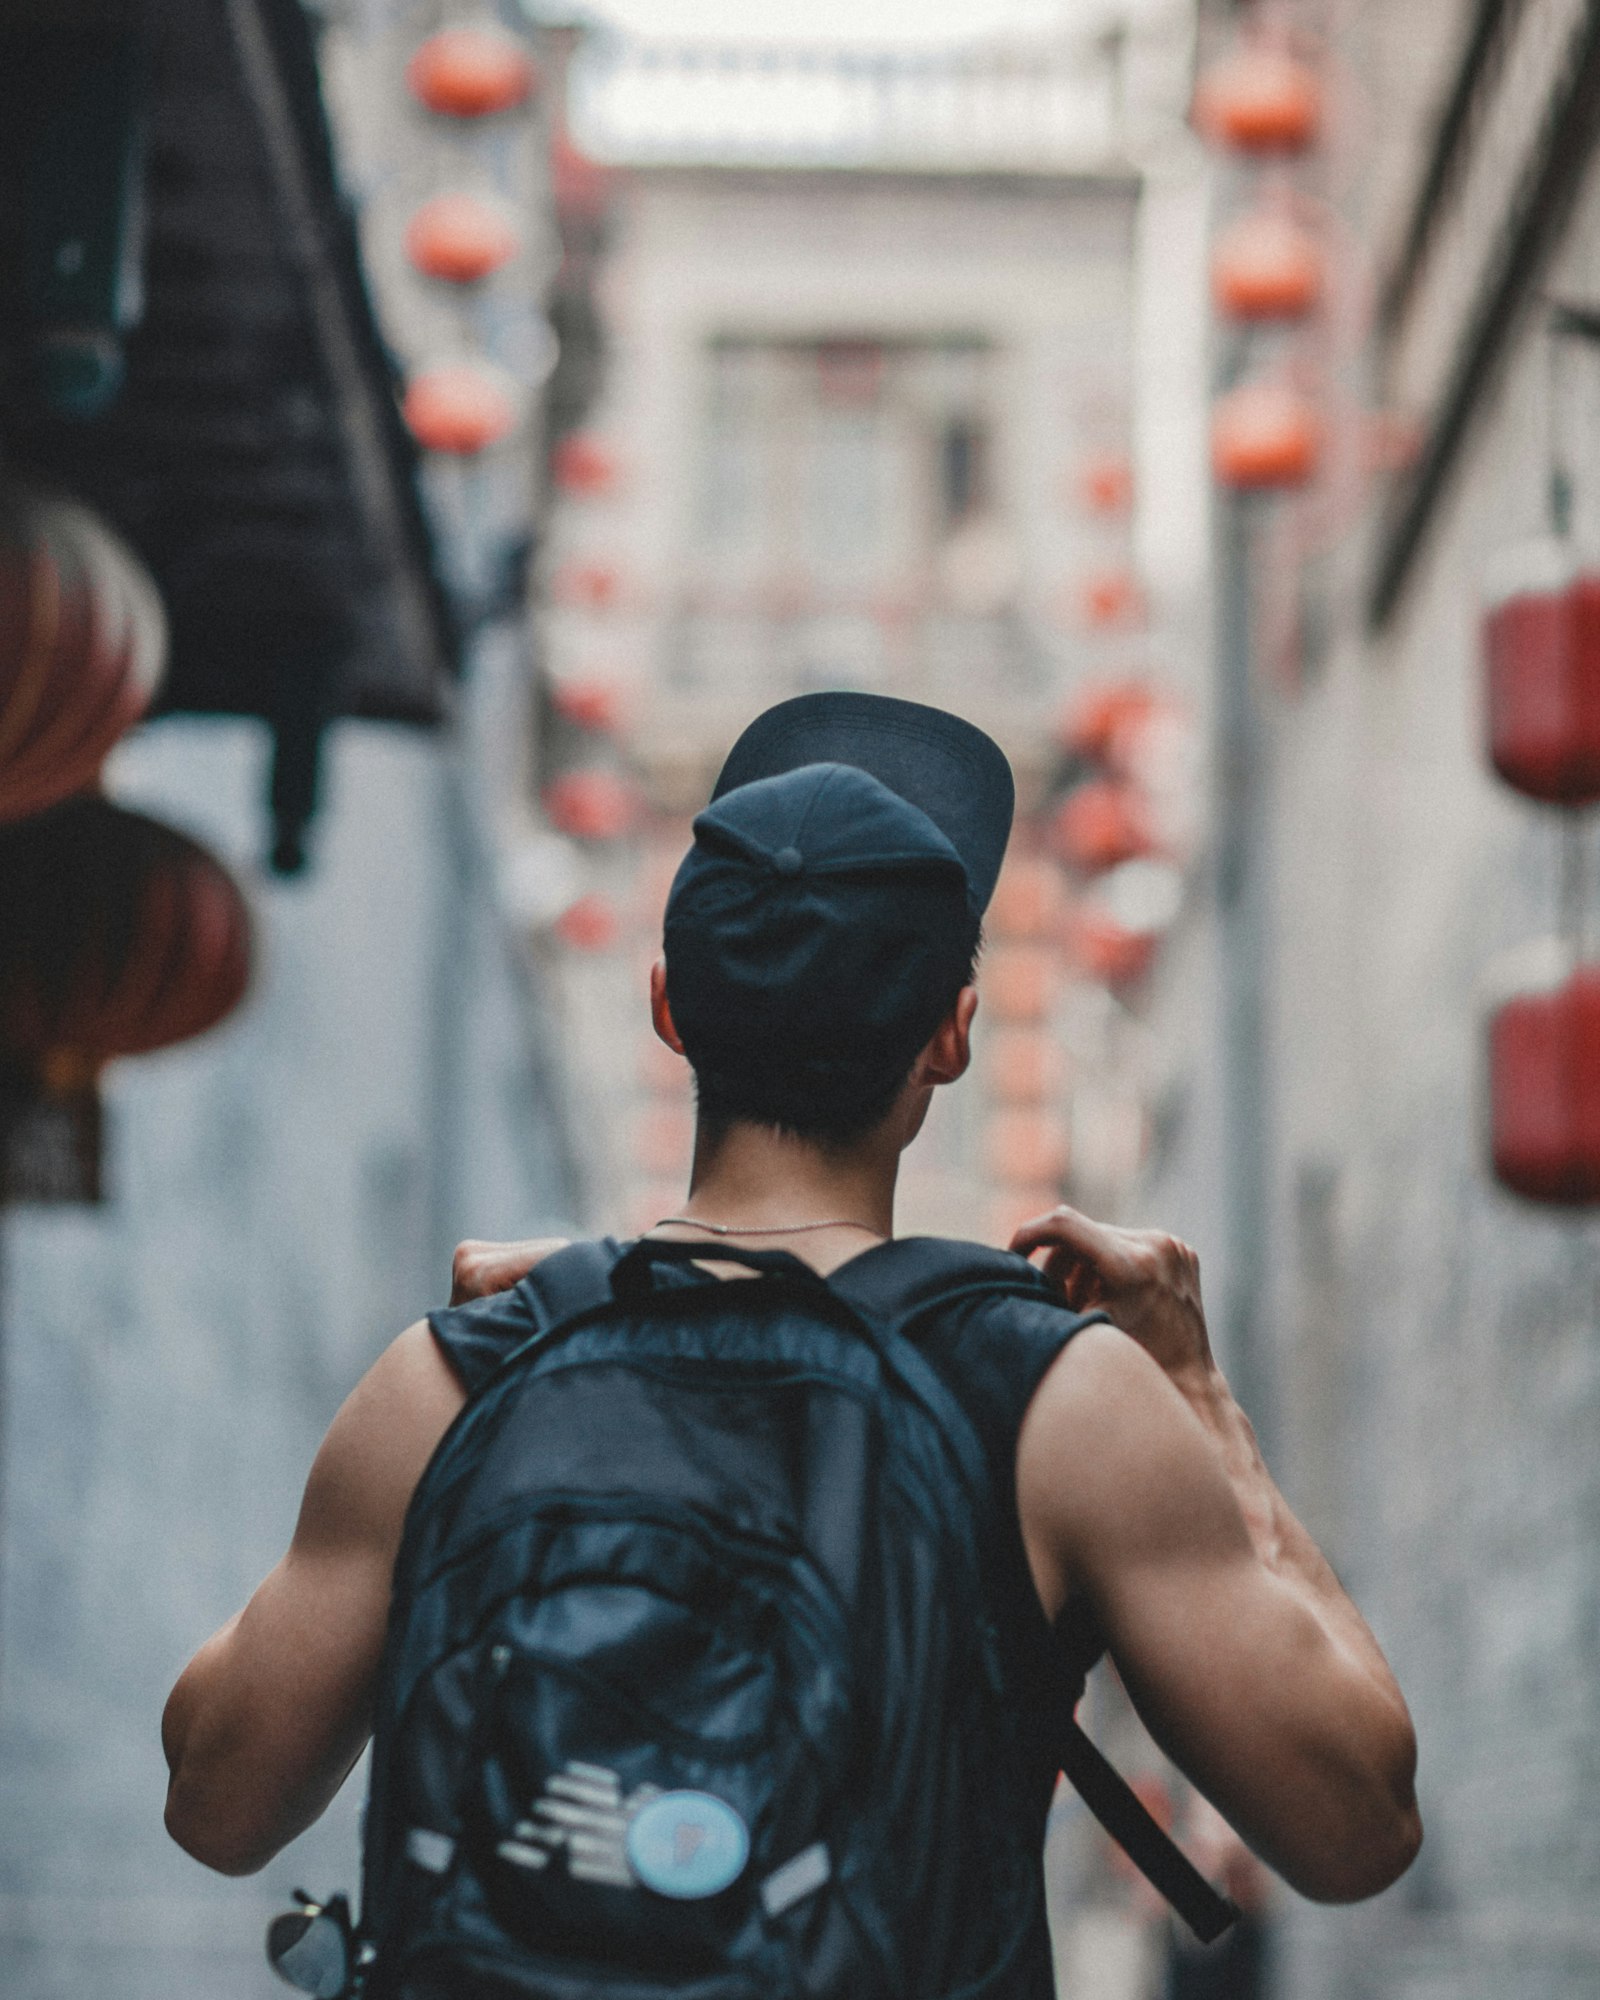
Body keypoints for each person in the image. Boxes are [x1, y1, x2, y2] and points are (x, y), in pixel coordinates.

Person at [162, 693, 1420, 1983]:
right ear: (952, 1034)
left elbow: (216, 1800)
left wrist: (516, 1358)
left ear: (669, 1009)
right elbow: (1357, 1825)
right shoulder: (1054, 1406)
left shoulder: (459, 1377)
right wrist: (1201, 1396)